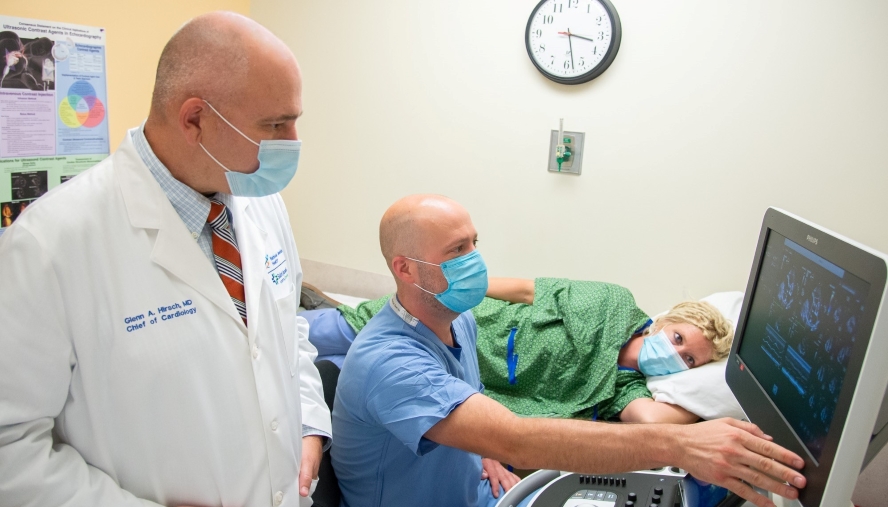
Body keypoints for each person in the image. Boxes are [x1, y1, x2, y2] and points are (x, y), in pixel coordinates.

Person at [0, 12, 331, 507]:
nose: (292, 142)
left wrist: (308, 421)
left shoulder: (260, 202)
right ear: (195, 119)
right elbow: (11, 448)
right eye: (275, 124)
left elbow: (289, 333)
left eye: (295, 119)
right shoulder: (49, 247)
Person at [331, 194, 806, 507]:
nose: (475, 259)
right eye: (458, 250)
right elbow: (515, 438)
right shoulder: (390, 362)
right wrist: (683, 444)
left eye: (475, 243)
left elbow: (476, 414)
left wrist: (482, 455)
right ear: (406, 270)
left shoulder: (460, 322)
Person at [304, 279, 733, 423]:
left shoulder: (624, 388)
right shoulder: (612, 304)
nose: (675, 355)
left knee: (335, 377)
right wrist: (449, 293)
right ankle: (307, 312)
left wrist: (718, 400)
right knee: (324, 331)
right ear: (663, 322)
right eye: (677, 339)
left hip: (459, 374)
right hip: (471, 323)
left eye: (688, 360)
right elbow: (530, 291)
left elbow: (653, 421)